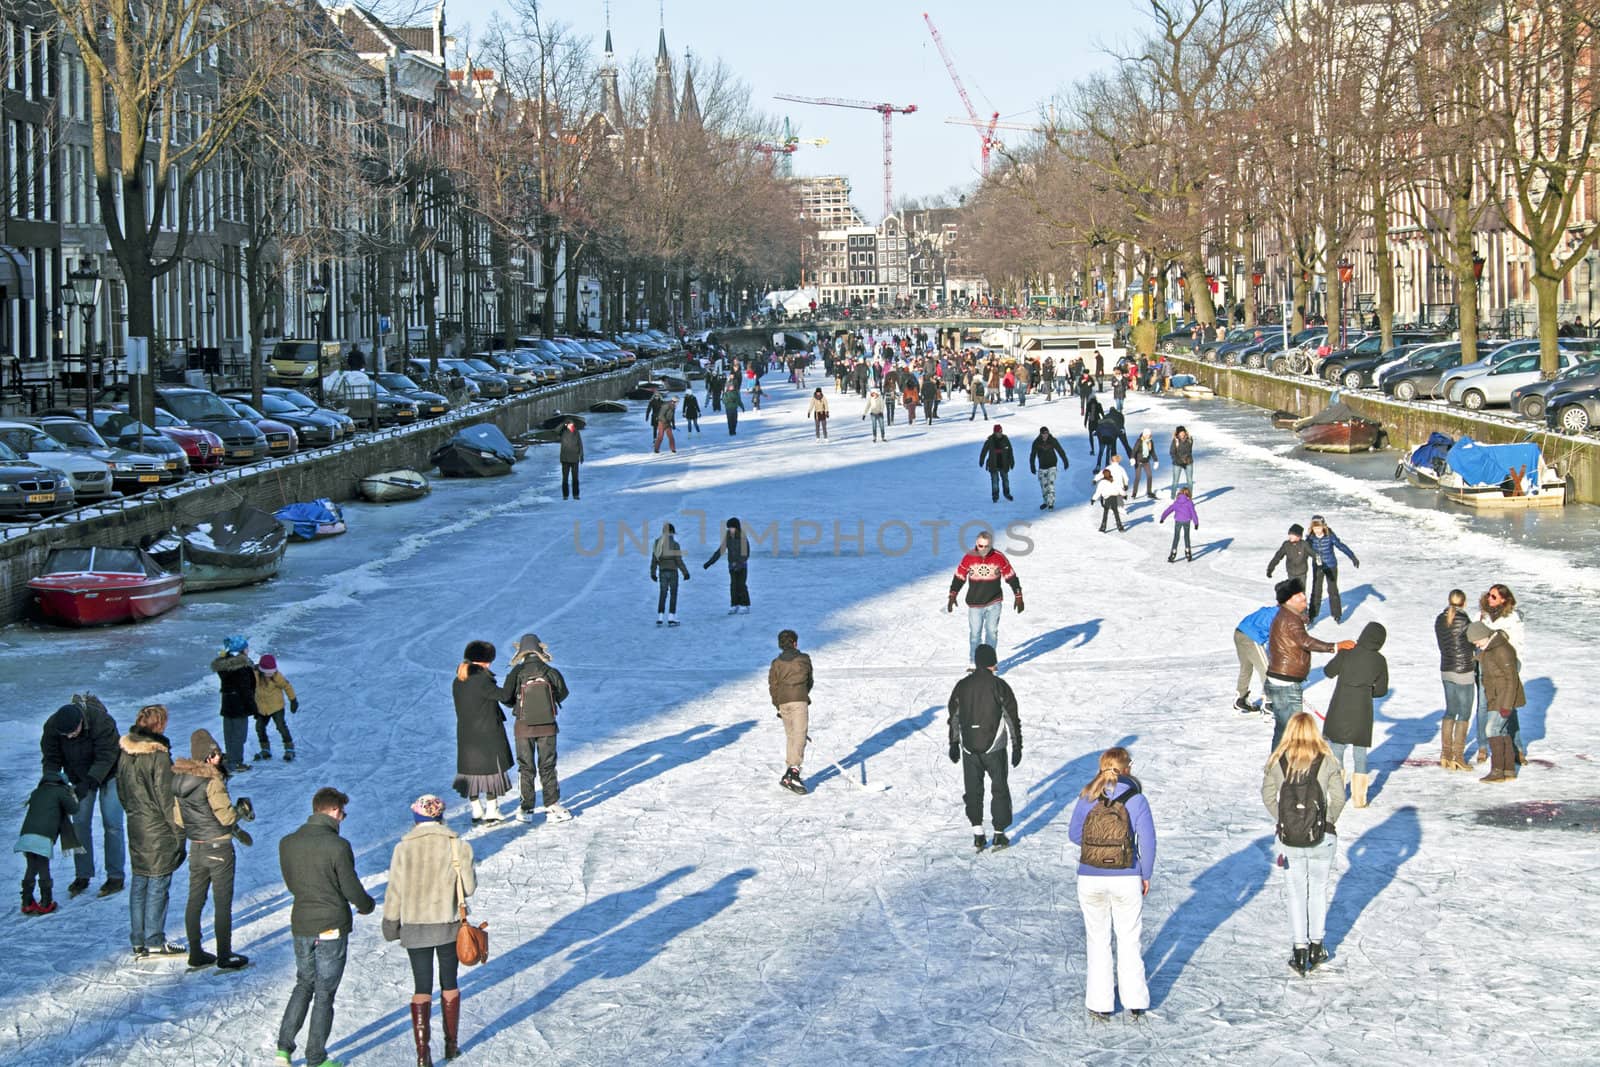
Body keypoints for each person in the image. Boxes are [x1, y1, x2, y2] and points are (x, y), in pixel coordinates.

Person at [275, 787, 375, 1067]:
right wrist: (366, 905)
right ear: (332, 811)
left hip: (302, 922)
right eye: (342, 812)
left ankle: (283, 1050)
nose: (343, 818)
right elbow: (350, 886)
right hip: (331, 924)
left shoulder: (287, 842)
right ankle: (316, 1057)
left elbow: (291, 882)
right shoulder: (337, 846)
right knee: (324, 992)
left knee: (303, 983)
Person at [383, 794, 476, 1065]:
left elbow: (395, 892)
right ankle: (451, 1045)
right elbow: (468, 888)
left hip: (415, 927)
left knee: (421, 986)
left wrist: (391, 923)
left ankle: (423, 1054)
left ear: (416, 819)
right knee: (450, 983)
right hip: (447, 926)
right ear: (440, 817)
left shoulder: (403, 849)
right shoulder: (457, 846)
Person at [1067, 747, 1154, 1019]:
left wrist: (1099, 850)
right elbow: (1148, 841)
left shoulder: (1087, 796)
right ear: (1127, 768)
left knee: (1097, 940)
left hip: (1090, 877)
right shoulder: (1136, 799)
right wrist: (1145, 873)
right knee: (1129, 939)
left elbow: (1073, 835)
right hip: (1127, 876)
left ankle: (1100, 1003)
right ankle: (1135, 1000)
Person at [1262, 712, 1345, 976]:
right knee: (1318, 891)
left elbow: (1267, 796)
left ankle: (1299, 948)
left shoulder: (1278, 760)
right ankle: (1317, 945)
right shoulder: (1328, 759)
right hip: (1323, 838)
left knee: (1296, 894)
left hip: (1289, 841)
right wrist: (1325, 821)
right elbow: (1339, 798)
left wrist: (1284, 820)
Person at [172, 728, 251, 970]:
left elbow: (179, 819)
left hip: (197, 847)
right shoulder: (212, 780)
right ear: (207, 757)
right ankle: (224, 955)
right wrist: (242, 811)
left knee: (195, 900)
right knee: (222, 903)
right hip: (219, 847)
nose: (220, 758)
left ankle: (195, 953)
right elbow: (226, 817)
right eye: (216, 753)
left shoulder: (178, 780)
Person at [117, 704, 186, 957]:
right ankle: (155, 939)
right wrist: (179, 832)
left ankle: (138, 939)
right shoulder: (158, 756)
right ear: (160, 725)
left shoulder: (125, 752)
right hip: (157, 827)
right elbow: (166, 800)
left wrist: (135, 814)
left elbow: (122, 793)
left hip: (136, 824)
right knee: (157, 882)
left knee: (139, 881)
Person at [40, 695, 124, 897]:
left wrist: (90, 782)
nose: (69, 737)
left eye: (73, 732)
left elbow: (107, 754)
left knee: (112, 824)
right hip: (78, 775)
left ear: (81, 723)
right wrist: (51, 782)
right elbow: (51, 759)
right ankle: (83, 874)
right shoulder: (52, 727)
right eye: (65, 734)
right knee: (79, 824)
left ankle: (115, 876)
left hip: (111, 774)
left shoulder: (100, 721)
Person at [1266, 578, 1356, 751]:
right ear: (1289, 600)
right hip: (1286, 681)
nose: (1303, 596)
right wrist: (1335, 647)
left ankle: (1277, 767)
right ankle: (1282, 769)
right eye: (1298, 594)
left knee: (1284, 729)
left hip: (1281, 678)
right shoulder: (1290, 618)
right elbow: (1305, 641)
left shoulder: (1287, 615)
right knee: (1291, 730)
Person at [947, 644, 1022, 851]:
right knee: (999, 788)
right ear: (992, 662)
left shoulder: (962, 686)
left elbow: (953, 717)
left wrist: (953, 743)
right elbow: (1012, 718)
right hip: (994, 747)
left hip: (969, 748)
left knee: (973, 790)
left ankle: (978, 834)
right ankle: (999, 834)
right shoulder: (999, 685)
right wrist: (1017, 747)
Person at [501, 634, 572, 823]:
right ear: (539, 650)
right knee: (548, 766)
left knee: (526, 768)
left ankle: (526, 809)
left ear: (521, 652)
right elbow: (563, 692)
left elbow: (506, 697)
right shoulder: (549, 670)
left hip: (523, 727)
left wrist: (518, 706)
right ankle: (552, 805)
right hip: (547, 727)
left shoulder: (516, 672)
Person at [1321, 622, 1389, 807]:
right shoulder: (1379, 660)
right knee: (1360, 753)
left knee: (1337, 749)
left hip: (1340, 706)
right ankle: (1360, 799)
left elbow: (1328, 671)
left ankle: (1337, 795)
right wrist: (1367, 692)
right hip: (1363, 710)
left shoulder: (1348, 652)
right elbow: (1382, 690)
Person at [451, 641, 514, 823]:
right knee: (491, 772)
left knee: (471, 771)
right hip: (487, 732)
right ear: (485, 661)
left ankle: (476, 810)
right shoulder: (481, 679)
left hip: (466, 734)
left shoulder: (459, 679)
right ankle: (492, 811)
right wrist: (512, 676)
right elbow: (504, 696)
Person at [947, 532, 1024, 662]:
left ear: (991, 545)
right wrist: (953, 594)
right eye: (980, 546)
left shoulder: (999, 557)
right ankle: (974, 662)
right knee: (975, 635)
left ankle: (990, 663)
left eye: (986, 546)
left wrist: (1018, 595)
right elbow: (959, 577)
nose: (983, 549)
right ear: (976, 544)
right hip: (975, 604)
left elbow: (1011, 576)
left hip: (993, 602)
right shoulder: (969, 557)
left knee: (992, 633)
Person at [1468, 620, 1524, 783]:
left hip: (1503, 698)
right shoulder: (1491, 648)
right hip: (1495, 697)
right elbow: (1486, 658)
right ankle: (1509, 770)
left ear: (1484, 635)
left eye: (1476, 640)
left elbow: (1511, 680)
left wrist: (1506, 706)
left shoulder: (1502, 650)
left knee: (1492, 730)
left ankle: (1497, 771)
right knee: (1503, 732)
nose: (1476, 644)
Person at [16, 771, 79, 915]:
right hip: (43, 836)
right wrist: (72, 795)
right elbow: (74, 809)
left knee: (31, 866)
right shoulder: (61, 791)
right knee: (43, 866)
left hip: (27, 834)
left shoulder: (37, 791)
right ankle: (46, 901)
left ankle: (26, 901)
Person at [1476, 584, 1526, 765]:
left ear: (1504, 599)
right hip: (1485, 666)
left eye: (1494, 596)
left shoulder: (1513, 619)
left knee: (1508, 706)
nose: (1489, 598)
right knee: (1483, 705)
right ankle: (1482, 746)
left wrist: (1515, 667)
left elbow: (1518, 645)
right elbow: (1475, 638)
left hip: (1505, 667)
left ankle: (1517, 748)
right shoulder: (1482, 615)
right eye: (1489, 595)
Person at [767, 630, 815, 796]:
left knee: (792, 737)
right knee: (800, 736)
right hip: (798, 700)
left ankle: (789, 773)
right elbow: (809, 681)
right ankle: (794, 771)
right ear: (795, 643)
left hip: (783, 702)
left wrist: (777, 705)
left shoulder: (776, 663)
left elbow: (773, 686)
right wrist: (802, 693)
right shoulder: (804, 659)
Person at [1435, 590, 1475, 771]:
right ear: (1464, 603)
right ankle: (1458, 756)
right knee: (1464, 714)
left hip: (1446, 669)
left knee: (1450, 711)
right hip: (1464, 671)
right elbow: (1473, 643)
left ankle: (1445, 754)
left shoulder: (1439, 619)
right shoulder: (1465, 621)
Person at [211, 635, 256, 773]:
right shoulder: (243, 668)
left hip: (227, 705)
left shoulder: (225, 668)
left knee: (229, 734)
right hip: (240, 706)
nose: (248, 650)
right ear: (242, 651)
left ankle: (231, 759)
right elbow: (246, 690)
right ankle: (236, 763)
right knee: (239, 735)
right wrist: (253, 708)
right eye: (246, 648)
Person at [1304, 515, 1359, 623]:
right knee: (1316, 590)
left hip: (1331, 566)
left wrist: (1352, 556)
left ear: (1323, 526)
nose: (1317, 531)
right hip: (1318, 567)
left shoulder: (1330, 536)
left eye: (1319, 528)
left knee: (1332, 590)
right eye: (1315, 528)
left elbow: (1341, 546)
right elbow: (1305, 550)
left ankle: (1337, 614)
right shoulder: (1310, 538)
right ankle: (1312, 615)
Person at [253, 654, 298, 762]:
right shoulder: (255, 675)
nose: (269, 675)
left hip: (276, 707)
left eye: (271, 672)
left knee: (281, 726)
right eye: (267, 673)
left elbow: (287, 686)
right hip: (261, 708)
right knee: (259, 727)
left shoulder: (277, 677)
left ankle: (289, 748)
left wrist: (293, 700)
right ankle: (265, 749)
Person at [1234, 604, 1276, 714]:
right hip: (1251, 637)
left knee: (1246, 667)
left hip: (1239, 632)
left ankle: (1240, 698)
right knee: (1268, 671)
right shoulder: (1282, 616)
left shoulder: (1271, 610)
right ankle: (1269, 703)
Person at [704, 516, 752, 614]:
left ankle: (745, 605)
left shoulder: (742, 537)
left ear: (737, 528)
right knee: (733, 585)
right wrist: (710, 562)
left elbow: (746, 553)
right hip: (731, 566)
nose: (730, 530)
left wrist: (738, 564)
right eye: (729, 528)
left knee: (741, 585)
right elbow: (721, 550)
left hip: (742, 566)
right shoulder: (728, 537)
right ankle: (734, 605)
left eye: (732, 527)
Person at [650, 522, 691, 625]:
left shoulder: (657, 544)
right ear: (672, 533)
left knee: (663, 593)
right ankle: (671, 617)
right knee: (673, 594)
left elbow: (654, 560)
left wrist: (653, 573)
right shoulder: (675, 545)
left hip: (662, 572)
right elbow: (679, 561)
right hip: (673, 572)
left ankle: (660, 617)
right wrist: (685, 573)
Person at [1028, 427, 1069, 510]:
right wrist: (1032, 466)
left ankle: (1051, 503)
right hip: (1042, 466)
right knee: (1044, 485)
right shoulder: (1036, 442)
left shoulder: (1052, 440)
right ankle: (1045, 502)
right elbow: (1032, 455)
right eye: (1044, 433)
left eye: (1047, 433)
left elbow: (1060, 450)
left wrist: (1065, 461)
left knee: (1050, 484)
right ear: (1041, 434)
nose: (1045, 435)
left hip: (1052, 465)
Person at [1159, 486, 1199, 562]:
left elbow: (1168, 510)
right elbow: (1193, 513)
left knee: (1176, 537)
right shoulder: (1189, 502)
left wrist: (1162, 518)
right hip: (1187, 521)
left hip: (1178, 521)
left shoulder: (1176, 502)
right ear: (1188, 494)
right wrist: (1196, 523)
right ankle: (1187, 551)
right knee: (1186, 536)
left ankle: (1173, 552)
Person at [979, 424, 1015, 503]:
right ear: (994, 432)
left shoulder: (1005, 439)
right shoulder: (990, 440)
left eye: (1001, 431)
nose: (1000, 433)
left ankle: (1007, 494)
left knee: (1005, 480)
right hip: (993, 464)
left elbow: (1010, 451)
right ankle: (995, 495)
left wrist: (1011, 461)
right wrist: (981, 460)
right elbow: (984, 450)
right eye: (998, 432)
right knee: (995, 481)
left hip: (1004, 464)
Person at [1090, 468, 1126, 533]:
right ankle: (1120, 527)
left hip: (1107, 498)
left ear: (1103, 475)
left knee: (1105, 512)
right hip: (1114, 497)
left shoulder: (1102, 482)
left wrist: (1093, 499)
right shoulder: (1114, 481)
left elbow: (1098, 492)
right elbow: (1120, 489)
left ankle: (1103, 527)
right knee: (1116, 512)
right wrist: (1124, 495)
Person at [558, 420, 584, 499]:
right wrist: (563, 424)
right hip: (565, 459)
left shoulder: (576, 433)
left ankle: (576, 495)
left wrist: (581, 456)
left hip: (574, 459)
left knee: (575, 478)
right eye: (570, 425)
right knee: (565, 478)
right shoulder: (563, 432)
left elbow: (580, 444)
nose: (572, 426)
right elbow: (556, 431)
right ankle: (565, 495)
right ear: (566, 425)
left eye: (572, 424)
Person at [1130, 429, 1158, 500]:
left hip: (1146, 461)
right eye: (1147, 435)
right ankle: (1134, 493)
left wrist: (1156, 460)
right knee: (1138, 477)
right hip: (1138, 462)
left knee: (1149, 476)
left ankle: (1149, 492)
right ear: (1144, 435)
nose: (1149, 436)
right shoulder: (1139, 441)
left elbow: (1152, 452)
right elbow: (1134, 450)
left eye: (1150, 435)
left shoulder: (1150, 442)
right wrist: (1132, 458)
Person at [1168, 427, 1194, 497]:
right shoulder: (1175, 441)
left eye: (1183, 432)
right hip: (1177, 463)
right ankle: (1172, 497)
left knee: (1190, 481)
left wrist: (1187, 458)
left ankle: (1189, 498)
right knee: (1175, 481)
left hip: (1188, 462)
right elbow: (1172, 453)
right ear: (1178, 434)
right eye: (1180, 433)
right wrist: (1179, 460)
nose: (1182, 434)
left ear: (1185, 432)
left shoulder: (1190, 440)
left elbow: (1190, 451)